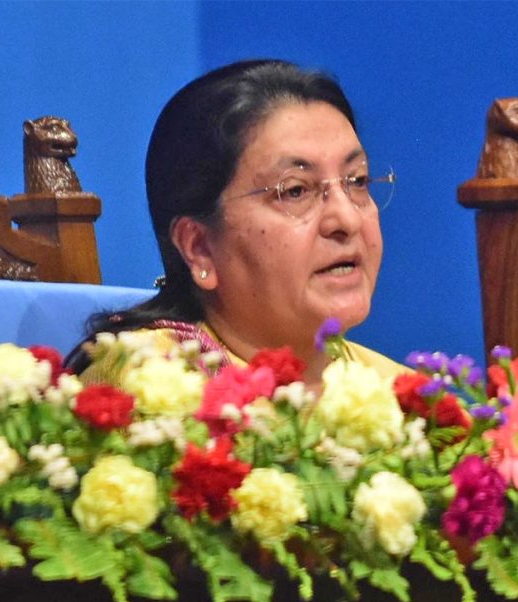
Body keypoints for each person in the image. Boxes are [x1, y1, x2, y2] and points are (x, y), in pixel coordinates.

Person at [68, 60, 404, 390]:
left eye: (357, 181)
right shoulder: (150, 389)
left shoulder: (406, 397)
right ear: (199, 248)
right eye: (296, 190)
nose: (346, 219)